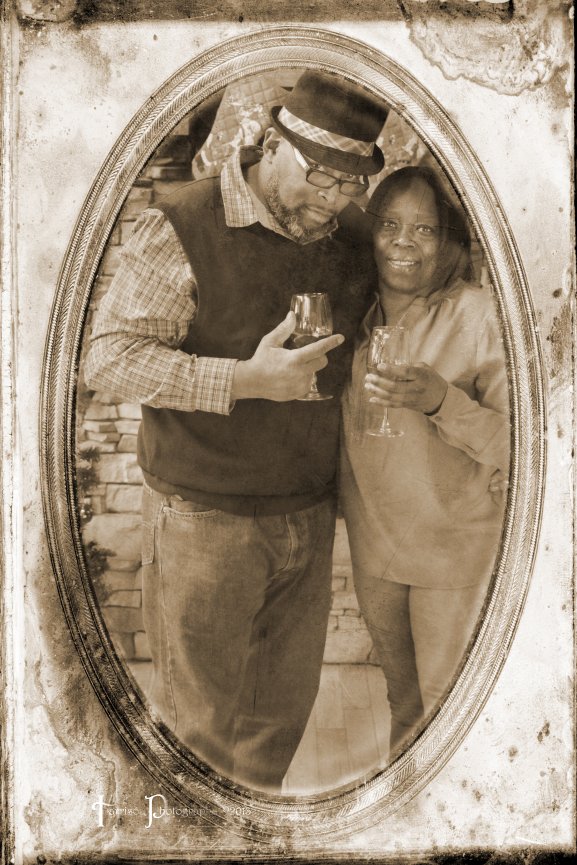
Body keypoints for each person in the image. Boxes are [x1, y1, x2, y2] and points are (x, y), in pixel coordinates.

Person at [84, 70, 389, 791]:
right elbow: (109, 357)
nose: (333, 200)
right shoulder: (180, 223)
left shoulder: (352, 234)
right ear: (271, 143)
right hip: (202, 522)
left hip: (307, 516)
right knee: (197, 732)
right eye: (320, 177)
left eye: (351, 184)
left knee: (276, 725)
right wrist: (245, 380)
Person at [340, 166, 510, 760]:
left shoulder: (480, 315)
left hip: (455, 548)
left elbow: (525, 447)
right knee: (403, 705)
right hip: (376, 544)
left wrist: (442, 401)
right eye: (389, 225)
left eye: (424, 229)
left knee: (448, 713)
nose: (404, 242)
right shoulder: (352, 314)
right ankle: (405, 814)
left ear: (449, 239)